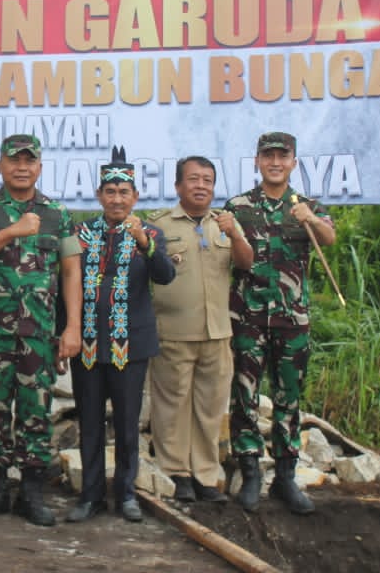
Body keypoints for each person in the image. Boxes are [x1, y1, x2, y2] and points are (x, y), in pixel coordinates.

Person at [0, 134, 82, 527]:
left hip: (39, 332)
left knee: (35, 411)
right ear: (0, 165)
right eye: (14, 160)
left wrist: (72, 327)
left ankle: (32, 490)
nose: (22, 166)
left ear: (40, 167)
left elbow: (70, 271)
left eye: (29, 160)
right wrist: (11, 231)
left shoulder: (57, 214)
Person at [225, 131, 335, 515]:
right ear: (257, 161)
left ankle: (286, 477)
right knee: (245, 395)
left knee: (289, 397)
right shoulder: (238, 207)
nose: (275, 162)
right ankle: (251, 471)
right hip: (248, 317)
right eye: (267, 156)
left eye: (282, 156)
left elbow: (330, 239)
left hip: (292, 319)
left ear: (293, 162)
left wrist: (311, 220)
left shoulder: (307, 206)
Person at [65, 147, 175, 525]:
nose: (116, 199)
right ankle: (90, 495)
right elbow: (65, 283)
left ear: (135, 197)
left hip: (131, 345)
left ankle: (126, 493)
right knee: (90, 422)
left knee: (127, 424)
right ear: (99, 196)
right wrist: (67, 331)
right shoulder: (80, 234)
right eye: (109, 192)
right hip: (89, 345)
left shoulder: (151, 233)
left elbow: (164, 276)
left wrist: (144, 242)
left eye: (123, 192)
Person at [147, 156, 252, 505]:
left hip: (217, 334)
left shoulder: (224, 225)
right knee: (171, 408)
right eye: (193, 179)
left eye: (208, 180)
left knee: (209, 409)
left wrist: (234, 233)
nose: (201, 186)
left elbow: (246, 262)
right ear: (178, 186)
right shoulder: (159, 225)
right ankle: (177, 474)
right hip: (173, 333)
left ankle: (206, 476)